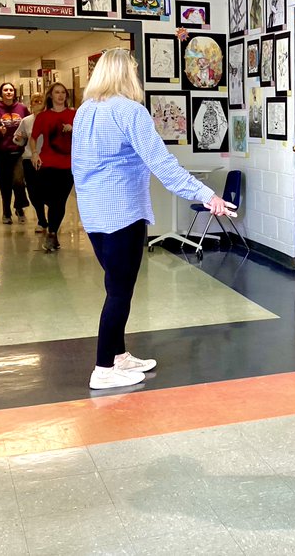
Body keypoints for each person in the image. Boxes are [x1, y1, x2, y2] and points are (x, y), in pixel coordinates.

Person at [72, 48, 231, 390]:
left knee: (116, 285)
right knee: (119, 292)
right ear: (126, 74)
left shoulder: (86, 111)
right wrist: (208, 196)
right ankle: (103, 368)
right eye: (133, 69)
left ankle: (118, 356)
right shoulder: (131, 112)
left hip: (95, 215)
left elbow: (80, 167)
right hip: (122, 213)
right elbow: (163, 165)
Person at [31, 82, 76, 252]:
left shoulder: (74, 115)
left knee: (59, 201)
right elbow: (34, 137)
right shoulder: (43, 116)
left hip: (68, 164)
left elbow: (86, 136)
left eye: (63, 92)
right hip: (47, 163)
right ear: (50, 96)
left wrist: (73, 129)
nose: (60, 95)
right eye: (57, 92)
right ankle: (51, 230)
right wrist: (34, 153)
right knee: (45, 198)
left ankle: (52, 233)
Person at [0, 82, 31, 224]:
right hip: (2, 152)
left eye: (11, 90)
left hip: (19, 151)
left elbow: (30, 125)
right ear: (1, 93)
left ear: (14, 92)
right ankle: (6, 211)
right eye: (5, 90)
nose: (8, 92)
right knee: (4, 184)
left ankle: (19, 206)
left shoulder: (22, 108)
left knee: (18, 182)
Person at [13, 92, 47, 232]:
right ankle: (41, 219)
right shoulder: (26, 121)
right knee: (33, 191)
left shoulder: (51, 118)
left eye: (41, 100)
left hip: (48, 160)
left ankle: (53, 217)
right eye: (35, 100)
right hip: (29, 159)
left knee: (48, 191)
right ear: (31, 104)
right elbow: (19, 140)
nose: (38, 102)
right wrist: (18, 138)